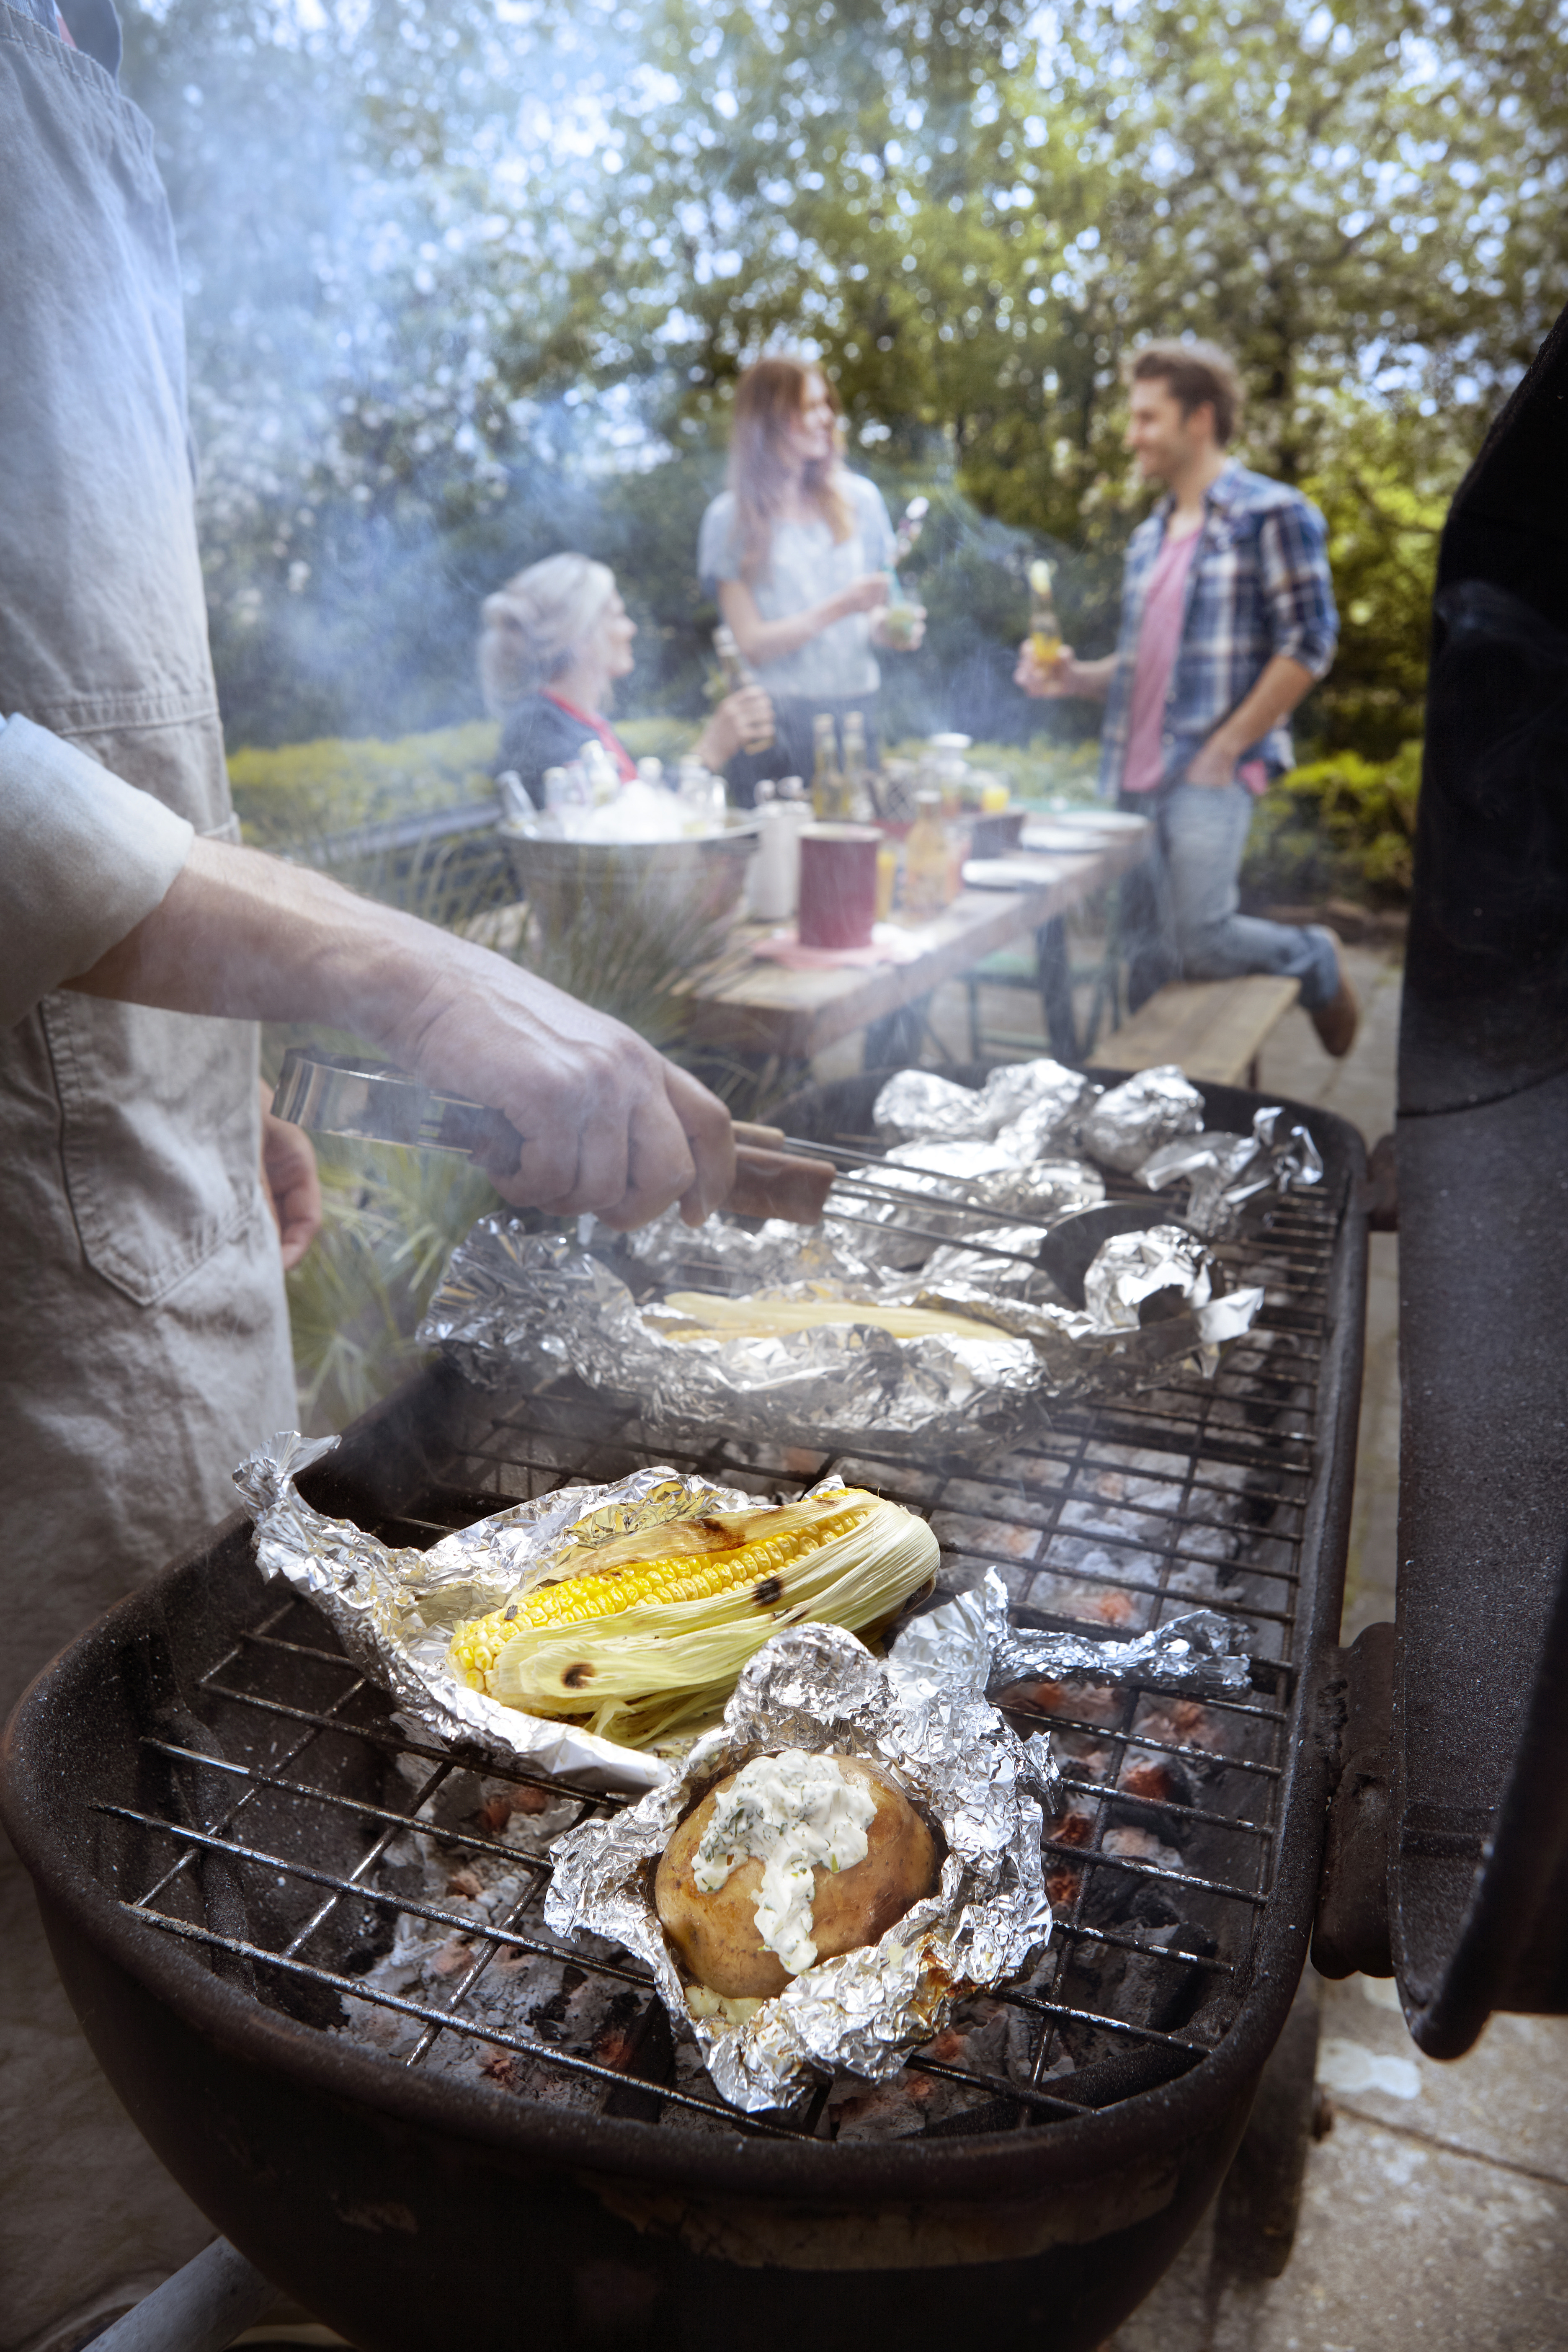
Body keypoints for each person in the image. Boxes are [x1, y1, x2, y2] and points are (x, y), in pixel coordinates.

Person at [0, 13, 732, 2342]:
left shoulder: (69, 76)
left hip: (133, 1188)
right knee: (53, 2038)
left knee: (218, 1934)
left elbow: (89, 698)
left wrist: (201, 1077)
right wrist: (415, 974)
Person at [1017, 339, 1358, 1055]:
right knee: (1147, 965)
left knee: (1200, 939)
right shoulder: (1149, 539)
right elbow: (1148, 667)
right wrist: (1074, 677)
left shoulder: (1272, 513)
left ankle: (1314, 958)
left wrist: (1227, 748)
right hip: (1133, 778)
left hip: (1210, 772)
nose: (1131, 435)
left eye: (1147, 417)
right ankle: (1157, 1106)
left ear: (1199, 419)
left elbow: (1309, 643)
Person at [698, 356, 926, 798]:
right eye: (808, 408)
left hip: (854, 717)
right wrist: (842, 606)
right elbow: (752, 644)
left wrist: (889, 629)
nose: (826, 419)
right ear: (768, 422)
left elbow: (871, 618)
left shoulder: (860, 501)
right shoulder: (730, 519)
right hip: (771, 727)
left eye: (826, 405)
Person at [483, 552, 774, 808]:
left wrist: (710, 754)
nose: (631, 629)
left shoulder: (580, 721)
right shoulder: (540, 728)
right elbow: (616, 831)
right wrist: (708, 752)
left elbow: (636, 805)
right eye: (618, 616)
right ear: (580, 636)